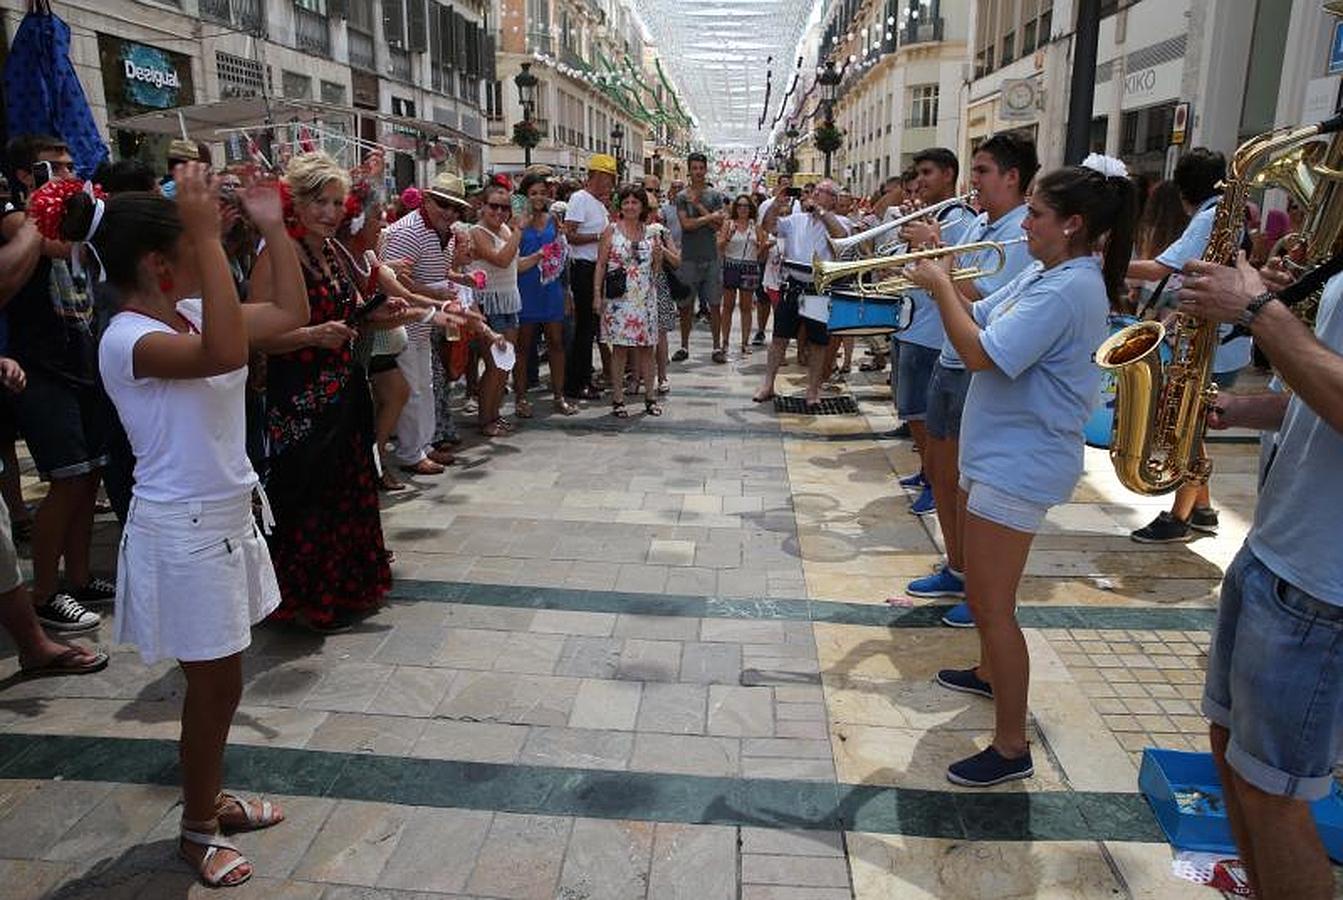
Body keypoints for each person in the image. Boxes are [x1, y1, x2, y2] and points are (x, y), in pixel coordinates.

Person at [84, 164, 308, 885]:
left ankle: (208, 800)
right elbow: (228, 353)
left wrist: (273, 226)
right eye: (192, 243)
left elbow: (285, 316)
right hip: (181, 530)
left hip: (223, 519)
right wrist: (213, 237)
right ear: (158, 263)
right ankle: (197, 827)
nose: (206, 248)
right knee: (214, 689)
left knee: (226, 682)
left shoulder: (187, 313)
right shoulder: (126, 338)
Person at [905, 158, 1136, 787]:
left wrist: (938, 287)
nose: (1024, 223)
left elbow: (979, 354)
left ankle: (1011, 746)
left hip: (1021, 461)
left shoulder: (1070, 288)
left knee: (990, 603)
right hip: (1000, 451)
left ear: (1074, 225)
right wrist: (945, 270)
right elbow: (980, 312)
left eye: (1036, 213)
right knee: (985, 599)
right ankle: (985, 673)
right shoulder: (1048, 271)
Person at [1175, 250, 1343, 900]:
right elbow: (1318, 389)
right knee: (1229, 749)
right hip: (1275, 546)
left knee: (1270, 790)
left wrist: (1258, 311)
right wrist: (1239, 409)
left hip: (1320, 580)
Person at [254, 152, 394, 634]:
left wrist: (400, 310)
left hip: (342, 391)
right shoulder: (277, 254)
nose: (331, 212)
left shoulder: (331, 250)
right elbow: (253, 334)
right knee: (308, 494)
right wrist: (312, 337)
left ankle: (346, 589)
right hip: (299, 398)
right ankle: (305, 600)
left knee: (345, 487)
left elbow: (355, 313)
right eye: (320, 201)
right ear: (295, 202)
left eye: (337, 202)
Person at [903, 133, 1039, 626]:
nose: (972, 182)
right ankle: (956, 567)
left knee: (965, 484)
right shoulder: (982, 221)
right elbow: (950, 279)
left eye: (981, 172)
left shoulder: (1020, 235)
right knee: (939, 469)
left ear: (1012, 177)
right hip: (948, 353)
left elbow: (988, 302)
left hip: (973, 362)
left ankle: (978, 592)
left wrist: (939, 255)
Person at [2, 135, 114, 633]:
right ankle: (45, 592)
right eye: (55, 167)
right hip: (41, 368)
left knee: (89, 477)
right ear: (27, 175)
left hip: (82, 360)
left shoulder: (72, 213)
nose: (68, 174)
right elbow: (56, 243)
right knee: (67, 479)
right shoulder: (13, 218)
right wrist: (43, 209)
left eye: (71, 166)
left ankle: (81, 576)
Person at [1126, 149, 1251, 543]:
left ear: (1183, 190)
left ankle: (1179, 517)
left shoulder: (1210, 217)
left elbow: (1160, 269)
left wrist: (1103, 263)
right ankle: (1202, 509)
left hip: (1213, 344)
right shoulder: (1226, 214)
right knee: (1195, 427)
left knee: (1188, 427)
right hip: (1226, 340)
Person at [891, 148, 974, 518]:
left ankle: (933, 482)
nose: (920, 180)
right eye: (918, 173)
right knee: (912, 409)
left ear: (948, 174)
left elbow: (955, 267)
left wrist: (931, 238)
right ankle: (928, 472)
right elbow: (914, 263)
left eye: (927, 172)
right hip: (913, 321)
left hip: (933, 330)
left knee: (925, 413)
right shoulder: (932, 215)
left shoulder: (959, 218)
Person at [382, 172, 470, 475]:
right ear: (427, 200)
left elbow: (436, 273)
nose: (449, 212)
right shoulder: (408, 231)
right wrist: (436, 294)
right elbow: (392, 282)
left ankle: (424, 444)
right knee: (414, 389)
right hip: (402, 320)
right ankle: (411, 452)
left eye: (455, 207)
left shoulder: (445, 232)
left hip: (424, 320)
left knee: (426, 385)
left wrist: (452, 285)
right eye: (443, 204)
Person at [755, 179, 850, 406]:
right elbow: (770, 226)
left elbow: (840, 236)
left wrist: (820, 210)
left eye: (823, 192)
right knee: (779, 338)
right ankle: (768, 383)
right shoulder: (797, 220)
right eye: (815, 191)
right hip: (793, 283)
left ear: (834, 199)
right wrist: (776, 204)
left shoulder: (841, 221)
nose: (815, 194)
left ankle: (813, 390)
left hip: (818, 287)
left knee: (818, 343)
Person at [595, 184, 663, 417]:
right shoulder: (611, 231)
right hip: (619, 299)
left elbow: (655, 270)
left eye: (635, 202)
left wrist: (658, 259)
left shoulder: (651, 233)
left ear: (642, 206)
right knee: (620, 348)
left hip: (645, 297)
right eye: (626, 202)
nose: (631, 206)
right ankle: (617, 399)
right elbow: (601, 264)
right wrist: (597, 294)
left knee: (647, 348)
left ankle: (650, 397)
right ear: (620, 207)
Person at [515, 173, 577, 416]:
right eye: (533, 193)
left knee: (556, 343)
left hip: (551, 289)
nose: (539, 197)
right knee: (523, 346)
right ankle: (520, 398)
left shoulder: (554, 219)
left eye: (542, 192)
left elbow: (563, 256)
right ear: (525, 195)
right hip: (524, 287)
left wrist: (567, 291)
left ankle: (559, 396)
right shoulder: (517, 221)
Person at [469, 184, 524, 435]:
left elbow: (513, 263)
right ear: (482, 206)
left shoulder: (504, 229)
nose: (500, 212)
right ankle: (485, 419)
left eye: (505, 207)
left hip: (508, 301)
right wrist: (519, 230)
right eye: (494, 206)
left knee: (505, 364)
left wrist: (540, 257)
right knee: (493, 364)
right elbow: (500, 260)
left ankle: (494, 413)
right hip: (489, 304)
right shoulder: (477, 232)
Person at [563, 155, 616, 400]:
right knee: (584, 328)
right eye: (609, 178)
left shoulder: (598, 203)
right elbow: (570, 235)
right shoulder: (579, 199)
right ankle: (576, 382)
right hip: (583, 268)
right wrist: (598, 238)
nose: (611, 184)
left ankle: (584, 375)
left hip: (597, 269)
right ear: (598, 176)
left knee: (591, 328)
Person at [674, 152, 729, 362]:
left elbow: (719, 225)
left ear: (706, 169)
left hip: (711, 258)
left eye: (700, 168)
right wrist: (710, 217)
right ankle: (684, 346)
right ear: (689, 170)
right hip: (689, 258)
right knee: (686, 305)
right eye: (694, 168)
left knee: (715, 305)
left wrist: (698, 206)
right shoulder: (680, 197)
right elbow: (686, 225)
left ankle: (716, 347)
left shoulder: (714, 195)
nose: (697, 172)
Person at [717, 194, 765, 357]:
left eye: (746, 206)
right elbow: (720, 246)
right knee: (728, 306)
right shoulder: (728, 224)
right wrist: (728, 238)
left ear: (750, 209)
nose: (743, 209)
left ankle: (745, 342)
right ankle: (725, 342)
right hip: (731, 265)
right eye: (740, 206)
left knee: (746, 307)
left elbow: (762, 248)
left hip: (749, 267)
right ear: (735, 208)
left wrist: (758, 249)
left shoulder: (755, 227)